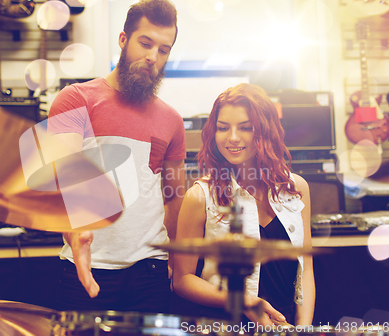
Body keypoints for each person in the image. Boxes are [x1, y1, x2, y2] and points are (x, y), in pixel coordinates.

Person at [47, 0, 186, 313]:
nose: (153, 57)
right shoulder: (74, 100)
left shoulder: (172, 120)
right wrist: (74, 233)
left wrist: (175, 260)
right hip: (86, 265)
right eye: (145, 43)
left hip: (151, 270)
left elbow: (174, 197)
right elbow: (60, 182)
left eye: (163, 50)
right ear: (123, 40)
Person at [172, 83, 315, 326]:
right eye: (223, 128)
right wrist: (244, 302)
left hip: (284, 324)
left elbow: (306, 269)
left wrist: (303, 328)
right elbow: (182, 279)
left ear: (265, 130)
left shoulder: (296, 189)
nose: (233, 138)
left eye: (246, 128)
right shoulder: (200, 196)